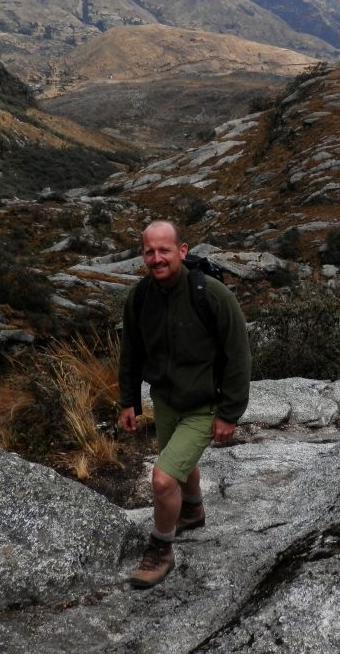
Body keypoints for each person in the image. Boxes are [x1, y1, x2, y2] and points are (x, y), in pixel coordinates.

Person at [117, 220, 251, 589]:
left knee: (162, 479)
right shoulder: (140, 297)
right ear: (143, 255)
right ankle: (192, 509)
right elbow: (131, 351)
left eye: (164, 250)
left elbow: (238, 354)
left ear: (183, 251)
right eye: (149, 252)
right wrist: (128, 400)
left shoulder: (212, 295)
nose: (157, 258)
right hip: (165, 399)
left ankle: (161, 548)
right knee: (177, 463)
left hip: (204, 403)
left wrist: (229, 413)